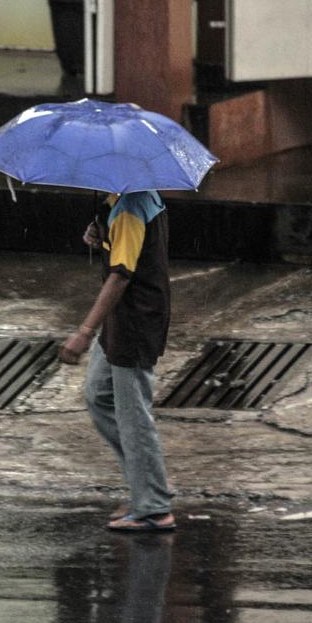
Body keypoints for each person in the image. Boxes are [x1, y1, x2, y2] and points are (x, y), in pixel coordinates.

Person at [59, 191, 176, 532]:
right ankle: (149, 482)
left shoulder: (129, 209)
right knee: (99, 395)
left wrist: (84, 331)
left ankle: (153, 508)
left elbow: (121, 274)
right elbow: (131, 248)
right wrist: (101, 234)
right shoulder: (125, 201)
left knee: (133, 416)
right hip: (122, 319)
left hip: (134, 321)